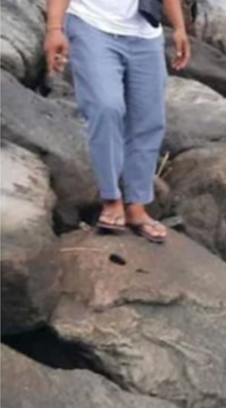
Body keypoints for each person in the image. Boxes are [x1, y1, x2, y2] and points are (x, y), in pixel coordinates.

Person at [44, 0, 191, 243]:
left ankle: (136, 205)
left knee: (149, 119)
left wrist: (179, 27)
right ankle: (111, 199)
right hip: (90, 25)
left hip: (145, 34)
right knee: (105, 107)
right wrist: (55, 29)